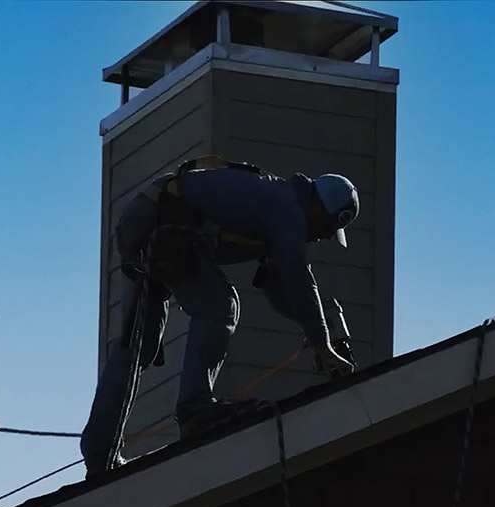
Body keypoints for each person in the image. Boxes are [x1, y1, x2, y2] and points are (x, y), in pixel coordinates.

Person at [81, 159, 359, 476]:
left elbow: (280, 287)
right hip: (162, 223)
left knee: (136, 346)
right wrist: (324, 344)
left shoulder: (277, 205)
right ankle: (194, 409)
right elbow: (299, 277)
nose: (322, 237)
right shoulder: (286, 206)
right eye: (327, 227)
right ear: (318, 207)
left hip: (148, 219)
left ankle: (99, 455)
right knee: (221, 307)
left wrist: (315, 337)